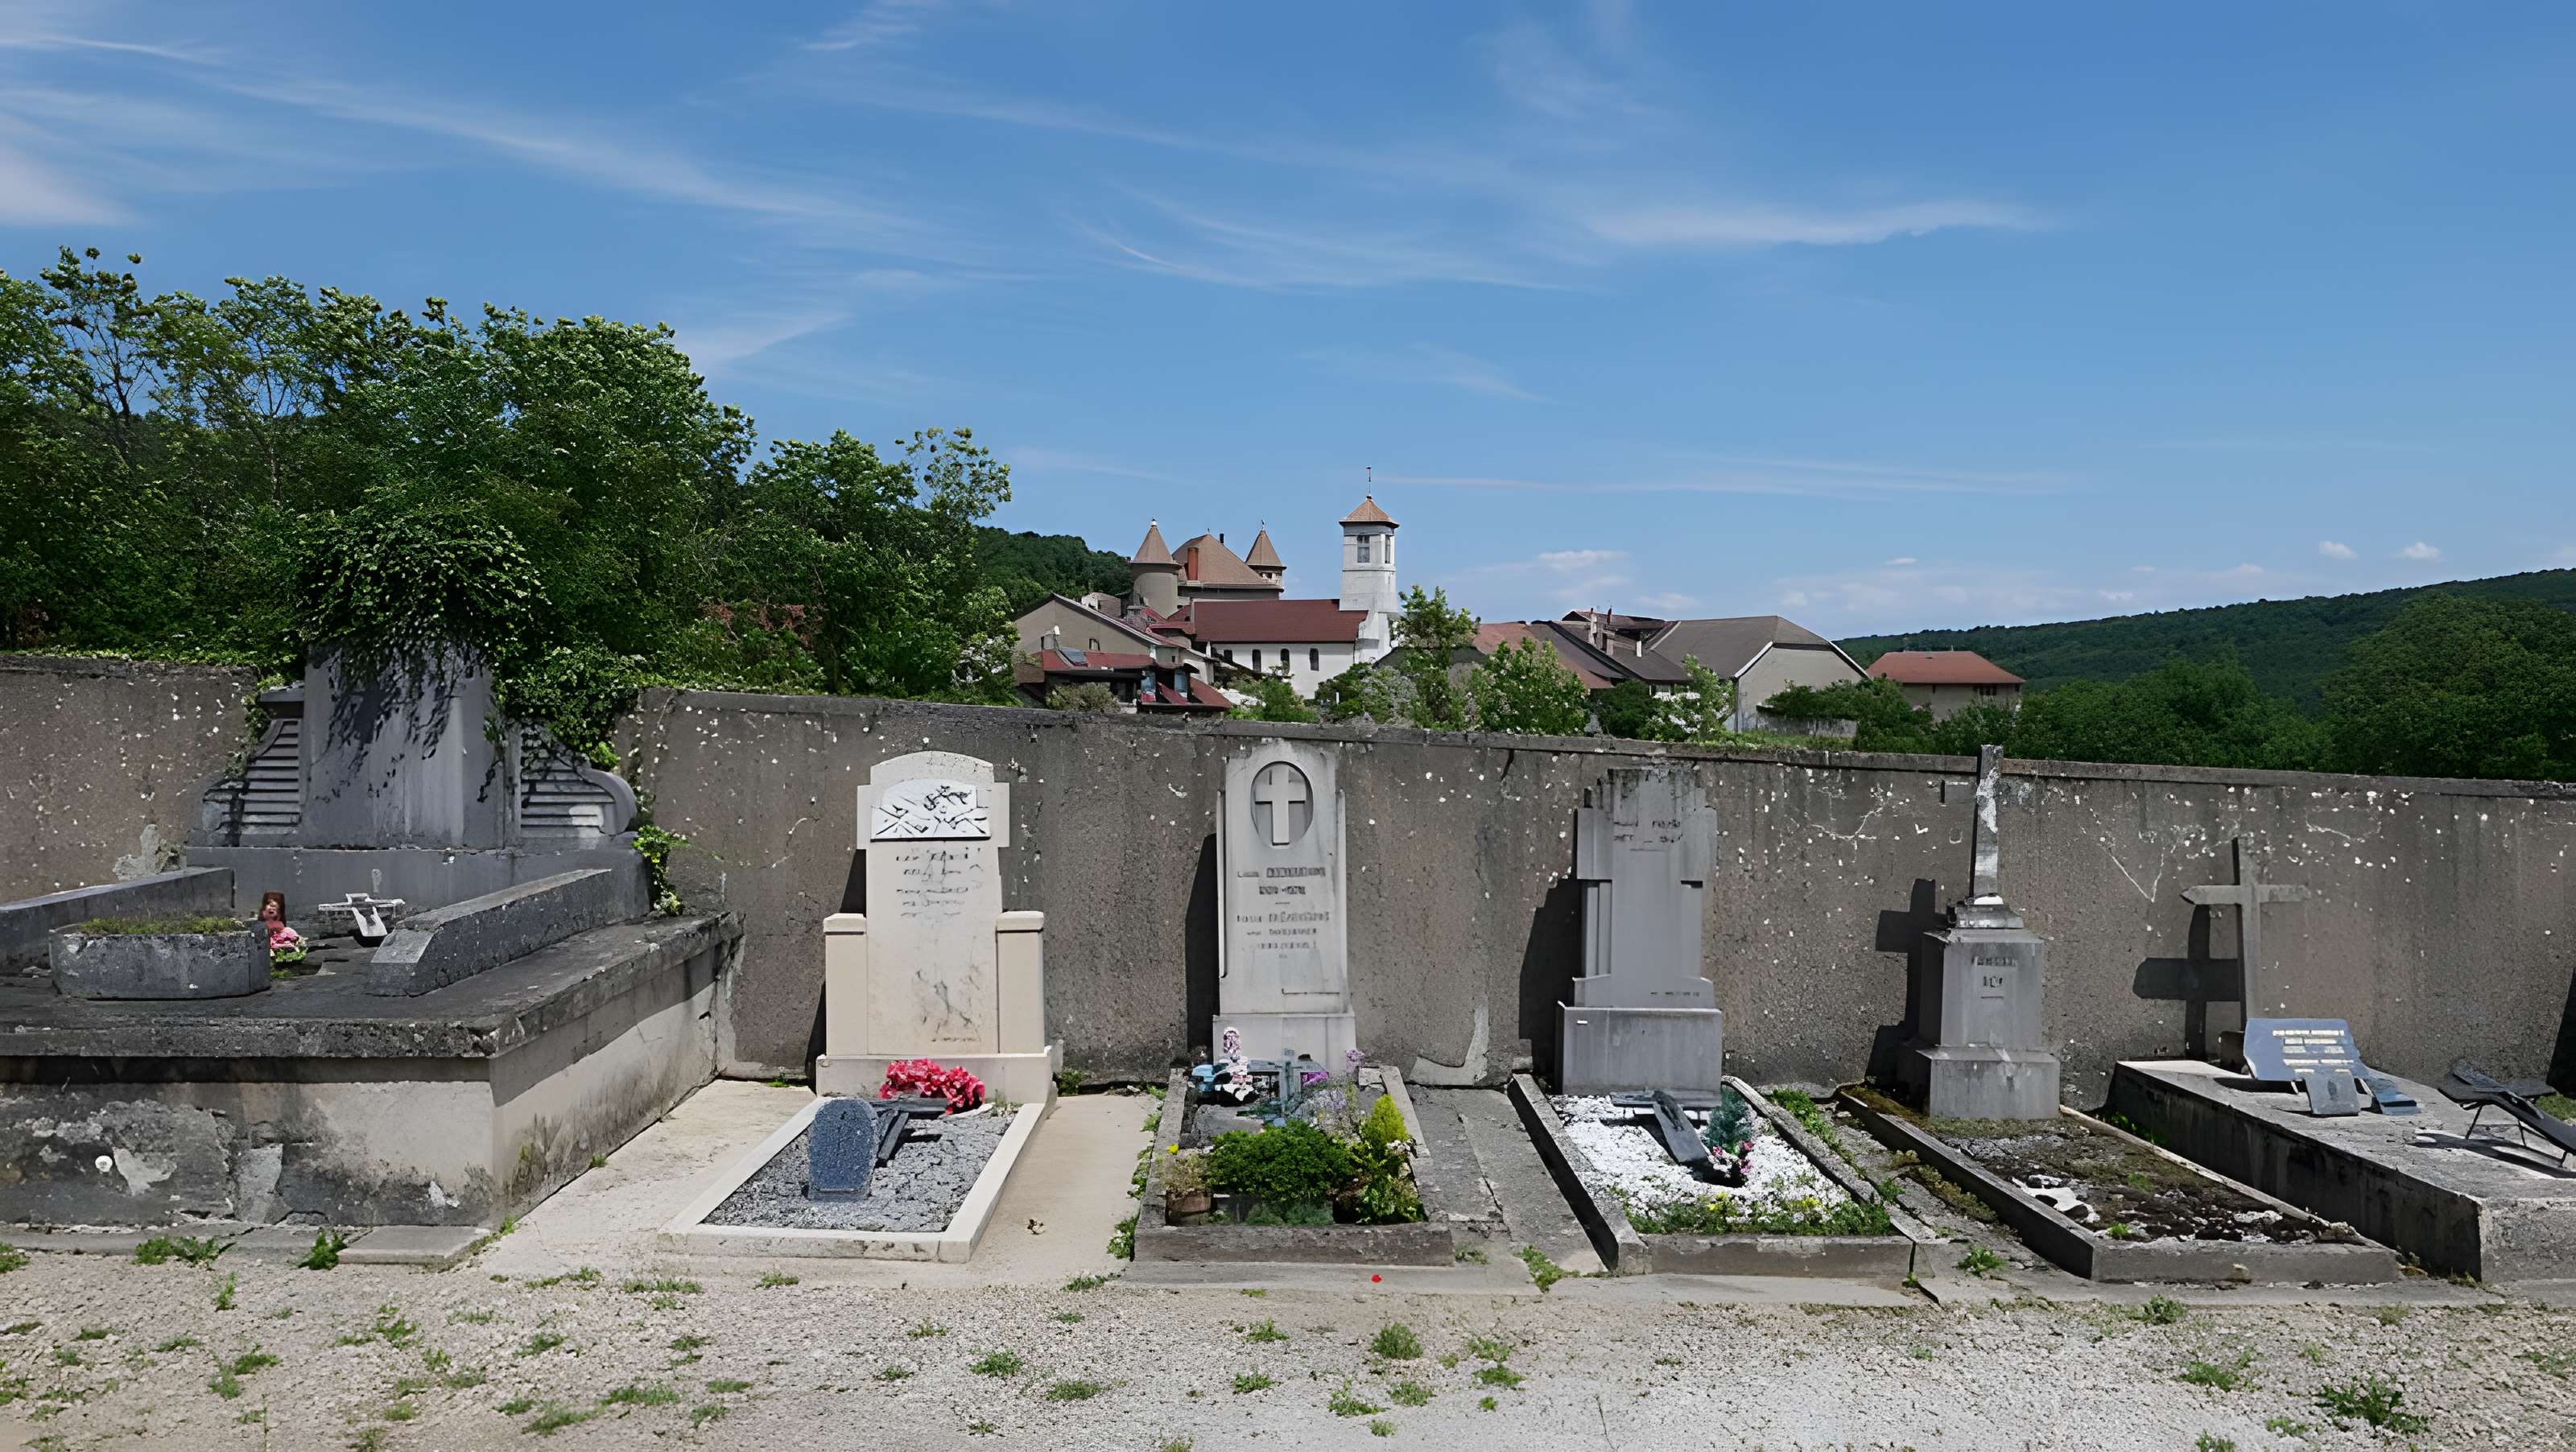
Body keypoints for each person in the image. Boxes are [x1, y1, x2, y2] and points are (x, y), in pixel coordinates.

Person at [258, 892, 307, 967]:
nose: (272, 905)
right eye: (269, 903)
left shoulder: (287, 931)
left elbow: (297, 941)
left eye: (276, 902)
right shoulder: (261, 929)